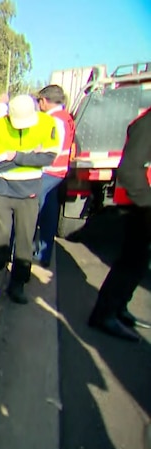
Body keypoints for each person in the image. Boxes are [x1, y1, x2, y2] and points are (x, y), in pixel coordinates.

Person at [0, 94, 58, 303]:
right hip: (2, 188)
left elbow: (49, 157)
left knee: (25, 238)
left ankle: (18, 283)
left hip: (29, 190)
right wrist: (31, 156)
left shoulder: (46, 123)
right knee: (0, 233)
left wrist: (16, 156)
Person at [86, 108, 151, 342]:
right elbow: (130, 169)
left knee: (139, 262)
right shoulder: (147, 124)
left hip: (141, 203)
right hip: (139, 204)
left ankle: (119, 306)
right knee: (131, 261)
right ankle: (105, 314)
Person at [34, 85, 76, 267]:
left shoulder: (53, 121)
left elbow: (52, 148)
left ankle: (36, 253)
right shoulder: (66, 117)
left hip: (48, 171)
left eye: (39, 101)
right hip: (59, 172)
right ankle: (44, 253)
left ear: (44, 101)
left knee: (36, 213)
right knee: (50, 215)